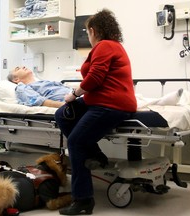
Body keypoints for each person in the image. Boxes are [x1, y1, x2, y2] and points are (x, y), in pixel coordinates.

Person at [54, 9, 137, 215]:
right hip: (101, 101)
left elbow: (95, 78)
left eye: (87, 32)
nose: (88, 36)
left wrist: (74, 93)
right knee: (61, 114)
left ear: (92, 30)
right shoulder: (112, 46)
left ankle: (83, 200)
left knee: (75, 142)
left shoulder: (104, 46)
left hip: (110, 105)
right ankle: (97, 155)